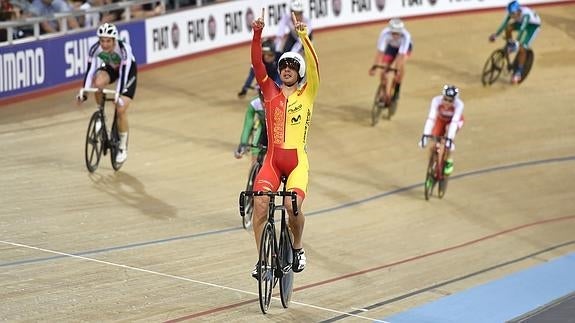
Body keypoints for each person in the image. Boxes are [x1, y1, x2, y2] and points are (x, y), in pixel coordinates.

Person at [249, 9, 320, 278]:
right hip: (272, 161)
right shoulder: (269, 91)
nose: (287, 69)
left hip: (296, 163)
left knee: (293, 207)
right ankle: (262, 261)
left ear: (299, 73)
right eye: (283, 67)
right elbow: (257, 65)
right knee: (259, 205)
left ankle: (298, 247)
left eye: (292, 67)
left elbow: (315, 66)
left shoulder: (308, 93)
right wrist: (257, 34)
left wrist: (304, 37)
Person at [77, 23, 137, 164]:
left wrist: (118, 93)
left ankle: (122, 147)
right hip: (110, 67)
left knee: (120, 109)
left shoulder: (124, 49)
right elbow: (90, 71)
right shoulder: (95, 48)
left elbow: (124, 73)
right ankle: (100, 115)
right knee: (98, 84)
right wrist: (84, 92)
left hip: (127, 72)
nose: (104, 44)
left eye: (108, 41)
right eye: (102, 40)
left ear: (114, 40)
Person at [418, 85, 464, 182]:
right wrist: (425, 135)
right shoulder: (436, 101)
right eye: (445, 99)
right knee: (433, 143)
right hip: (441, 119)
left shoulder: (459, 105)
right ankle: (433, 165)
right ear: (442, 97)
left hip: (454, 122)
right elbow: (431, 118)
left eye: (450, 101)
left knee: (447, 139)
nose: (447, 102)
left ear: (455, 101)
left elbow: (454, 122)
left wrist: (449, 139)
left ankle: (449, 160)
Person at [489, 1, 541, 84]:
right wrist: (495, 35)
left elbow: (522, 30)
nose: (512, 16)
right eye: (510, 14)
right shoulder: (512, 13)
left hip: (532, 26)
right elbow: (504, 24)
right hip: (522, 22)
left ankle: (518, 72)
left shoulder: (526, 15)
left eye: (513, 14)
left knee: (522, 48)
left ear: (518, 11)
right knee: (508, 28)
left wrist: (517, 42)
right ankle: (510, 44)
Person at [369, 18, 412, 104]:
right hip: (391, 47)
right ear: (390, 30)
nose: (395, 35)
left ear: (401, 31)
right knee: (383, 68)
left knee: (399, 67)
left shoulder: (406, 36)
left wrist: (397, 70)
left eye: (397, 33)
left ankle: (397, 89)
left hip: (404, 49)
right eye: (393, 33)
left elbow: (401, 56)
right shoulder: (385, 33)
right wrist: (374, 66)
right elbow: (380, 52)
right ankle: (383, 91)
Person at [234, 91, 267, 164]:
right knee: (255, 148)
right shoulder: (254, 103)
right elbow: (248, 125)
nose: (264, 105)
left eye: (266, 101)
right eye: (262, 101)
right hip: (263, 128)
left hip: (277, 130)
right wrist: (243, 143)